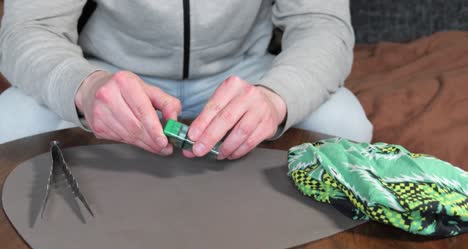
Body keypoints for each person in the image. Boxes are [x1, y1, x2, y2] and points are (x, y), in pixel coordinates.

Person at [0, 0, 373, 160]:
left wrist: (276, 97)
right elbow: (27, 28)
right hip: (111, 76)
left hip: (245, 75)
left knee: (345, 124)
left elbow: (321, 23)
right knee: (8, 123)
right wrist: (86, 87)